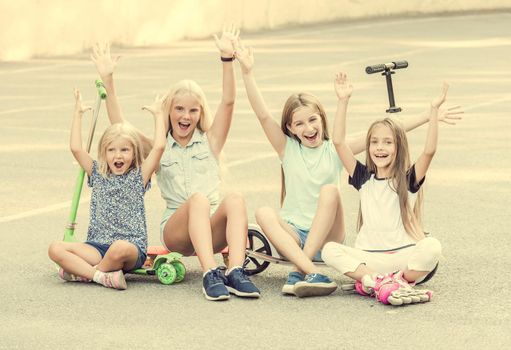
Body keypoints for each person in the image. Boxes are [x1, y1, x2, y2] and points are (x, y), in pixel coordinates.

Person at [232, 40, 462, 298]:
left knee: (330, 191)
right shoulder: (287, 149)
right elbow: (263, 115)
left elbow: (387, 132)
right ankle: (310, 269)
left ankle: (300, 268)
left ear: (322, 118)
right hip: (294, 234)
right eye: (299, 123)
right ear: (289, 129)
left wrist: (429, 117)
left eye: (312, 120)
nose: (308, 128)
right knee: (262, 211)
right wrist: (247, 72)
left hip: (329, 232)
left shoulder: (334, 148)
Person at [90, 28, 260, 301]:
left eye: (193, 110)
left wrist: (227, 60)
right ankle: (209, 274)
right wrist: (108, 79)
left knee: (236, 199)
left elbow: (228, 102)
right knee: (197, 201)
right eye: (179, 109)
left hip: (212, 229)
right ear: (169, 111)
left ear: (200, 113)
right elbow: (118, 123)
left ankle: (235, 272)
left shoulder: (211, 141)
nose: (186, 116)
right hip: (177, 232)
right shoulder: (158, 147)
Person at [322, 72, 448, 306]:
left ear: (398, 147)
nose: (380, 148)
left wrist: (432, 111)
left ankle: (395, 280)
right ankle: (378, 280)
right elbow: (338, 143)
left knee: (432, 247)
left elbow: (429, 151)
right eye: (374, 142)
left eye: (388, 142)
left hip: (403, 256)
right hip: (370, 258)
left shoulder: (407, 179)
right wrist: (343, 101)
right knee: (329, 250)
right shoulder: (362, 177)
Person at [48, 88, 166, 290]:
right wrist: (77, 115)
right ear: (103, 152)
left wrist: (158, 115)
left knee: (118, 248)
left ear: (134, 152)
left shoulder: (139, 175)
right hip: (96, 247)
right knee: (55, 248)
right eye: (111, 150)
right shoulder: (97, 172)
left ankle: (82, 272)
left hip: (129, 248)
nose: (118, 156)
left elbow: (159, 147)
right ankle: (99, 276)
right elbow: (76, 148)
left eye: (124, 150)